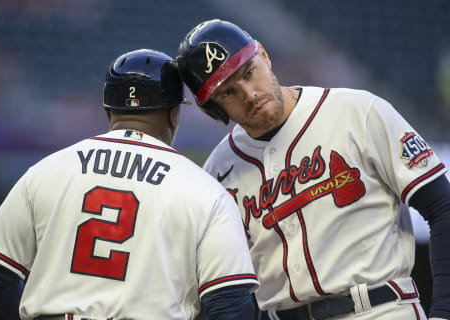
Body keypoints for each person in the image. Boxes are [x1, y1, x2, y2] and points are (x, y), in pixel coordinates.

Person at [175, 19, 450, 320]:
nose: (249, 94)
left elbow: (442, 206)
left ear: (264, 57)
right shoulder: (218, 171)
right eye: (227, 92)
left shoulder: (358, 112)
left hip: (378, 309)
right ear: (214, 110)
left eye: (249, 72)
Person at [0, 49, 260, 320]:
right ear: (174, 114)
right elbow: (231, 307)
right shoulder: (205, 191)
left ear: (108, 110)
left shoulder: (46, 170)